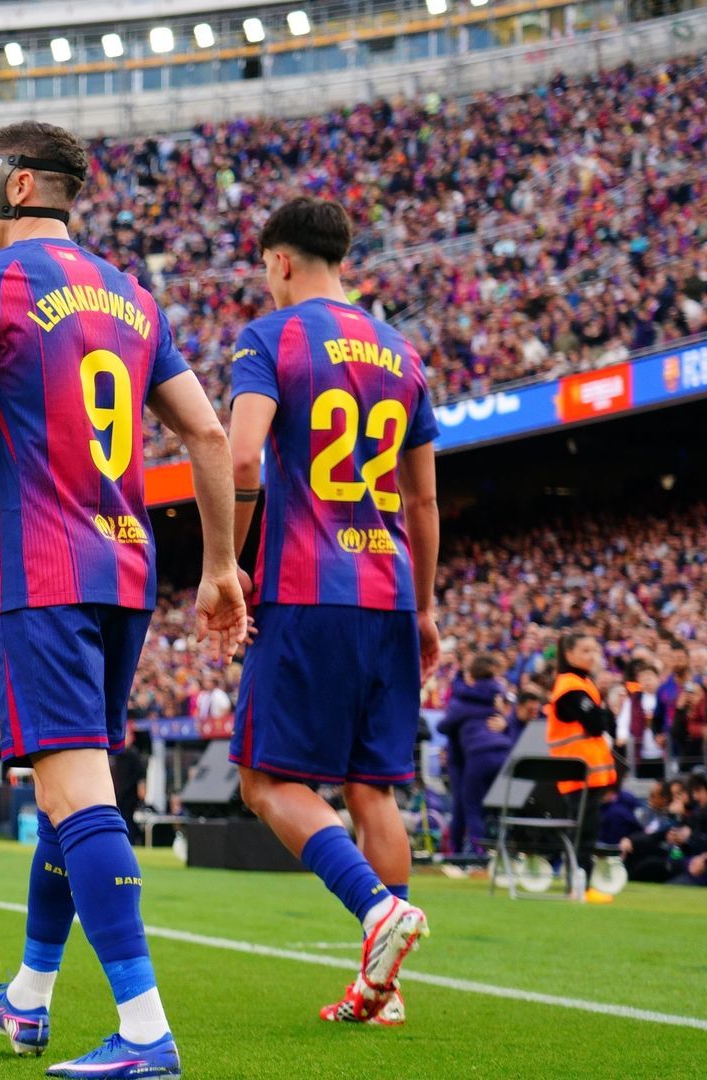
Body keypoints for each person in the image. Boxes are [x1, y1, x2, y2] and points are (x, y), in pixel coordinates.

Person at [0, 121, 246, 1078]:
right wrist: (220, 566)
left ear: (13, 185)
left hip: (45, 574)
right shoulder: (134, 296)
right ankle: (30, 1001)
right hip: (127, 570)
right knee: (62, 800)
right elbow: (210, 438)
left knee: (76, 794)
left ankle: (144, 1032)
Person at [223, 196, 440, 1024]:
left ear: (280, 261)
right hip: (389, 590)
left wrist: (229, 565)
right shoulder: (404, 353)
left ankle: (376, 910)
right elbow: (422, 504)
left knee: (266, 778)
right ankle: (381, 990)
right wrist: (423, 609)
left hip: (308, 585)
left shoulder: (271, 337)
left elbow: (243, 451)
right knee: (372, 787)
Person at [544, 632, 620, 903]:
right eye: (586, 650)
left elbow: (605, 721)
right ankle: (579, 886)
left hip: (587, 773)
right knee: (583, 832)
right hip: (577, 773)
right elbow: (598, 723)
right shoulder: (570, 686)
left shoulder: (583, 684)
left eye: (594, 650)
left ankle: (580, 885)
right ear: (569, 654)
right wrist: (605, 711)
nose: (593, 656)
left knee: (588, 830)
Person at [437, 654, 515, 857]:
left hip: (476, 756)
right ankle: (506, 851)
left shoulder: (463, 699)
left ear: (471, 675)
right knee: (500, 807)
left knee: (471, 808)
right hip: (506, 753)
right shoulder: (498, 698)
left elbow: (443, 725)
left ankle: (477, 853)